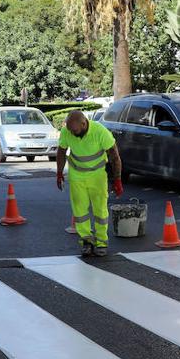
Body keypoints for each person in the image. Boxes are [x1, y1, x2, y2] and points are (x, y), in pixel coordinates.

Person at [55, 109, 123, 257]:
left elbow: (114, 156)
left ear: (84, 123)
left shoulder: (100, 132)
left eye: (75, 130)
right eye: (70, 131)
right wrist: (59, 172)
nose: (72, 133)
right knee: (79, 211)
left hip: (97, 176)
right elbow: (61, 151)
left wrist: (117, 179)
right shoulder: (68, 131)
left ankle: (101, 242)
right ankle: (86, 241)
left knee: (100, 210)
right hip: (77, 175)